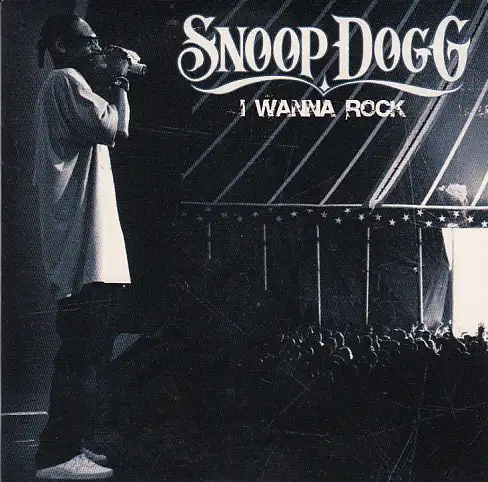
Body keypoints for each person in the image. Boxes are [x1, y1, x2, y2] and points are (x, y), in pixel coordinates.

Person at [33, 14, 135, 479]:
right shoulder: (65, 80)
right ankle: (56, 457)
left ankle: (69, 445)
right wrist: (120, 78)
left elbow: (115, 127)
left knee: (86, 353)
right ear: (62, 44)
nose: (96, 47)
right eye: (88, 40)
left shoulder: (67, 84)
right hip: (82, 249)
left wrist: (116, 80)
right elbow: (115, 128)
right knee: (79, 355)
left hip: (88, 249)